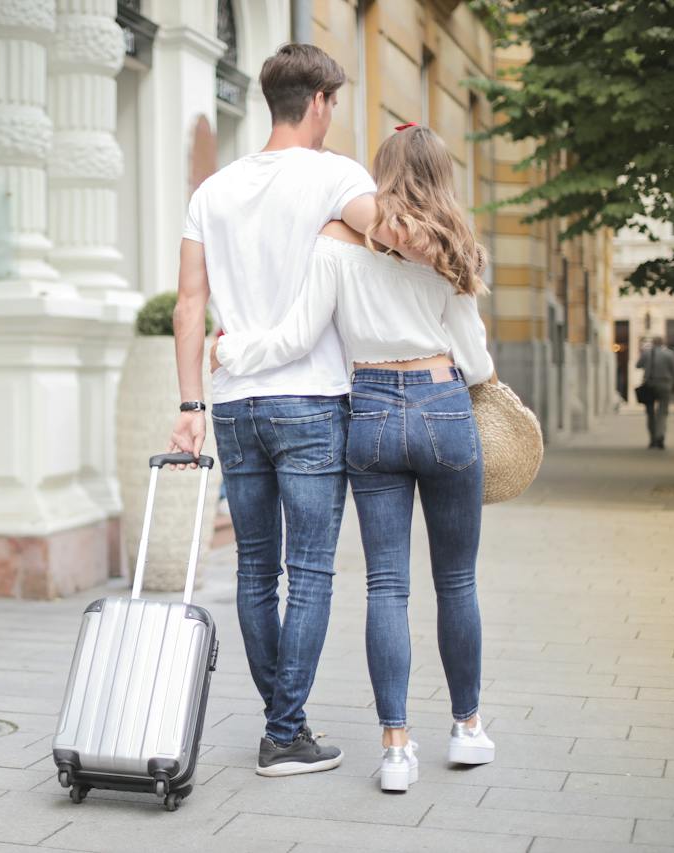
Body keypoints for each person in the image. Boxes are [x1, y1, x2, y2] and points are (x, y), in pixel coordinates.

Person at [211, 124, 499, 793]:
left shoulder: (337, 244)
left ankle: (396, 749)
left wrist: (232, 352)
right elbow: (477, 359)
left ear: (379, 174)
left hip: (368, 412)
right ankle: (467, 726)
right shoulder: (453, 248)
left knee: (386, 586)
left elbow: (297, 336)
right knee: (457, 581)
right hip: (442, 402)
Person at [168, 43, 396, 778]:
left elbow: (188, 307)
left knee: (256, 569)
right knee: (312, 569)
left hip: (235, 401)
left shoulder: (213, 191)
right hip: (311, 398)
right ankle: (285, 730)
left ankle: (283, 719)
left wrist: (189, 405)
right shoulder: (337, 177)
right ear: (321, 101)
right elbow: (392, 232)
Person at [636, 338, 674, 449]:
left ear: (653, 343)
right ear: (663, 343)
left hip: (649, 385)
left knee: (650, 414)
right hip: (665, 385)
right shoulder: (669, 354)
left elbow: (638, 365)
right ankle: (660, 435)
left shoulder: (646, 353)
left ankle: (652, 439)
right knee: (662, 412)